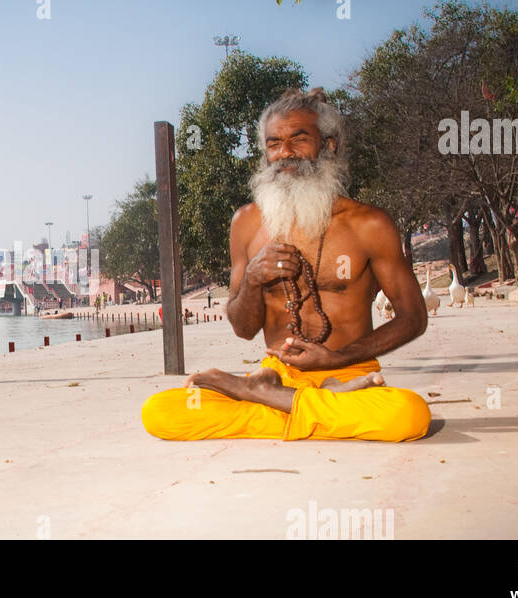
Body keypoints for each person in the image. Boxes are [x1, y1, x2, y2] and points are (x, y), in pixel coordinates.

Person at [141, 87, 432, 442]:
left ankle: (268, 400)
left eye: (298, 139)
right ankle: (308, 404)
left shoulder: (369, 224)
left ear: (328, 145)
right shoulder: (247, 223)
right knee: (160, 412)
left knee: (408, 415)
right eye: (274, 143)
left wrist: (335, 358)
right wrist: (251, 279)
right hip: (280, 372)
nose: (285, 153)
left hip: (348, 370)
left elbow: (413, 317)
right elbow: (244, 328)